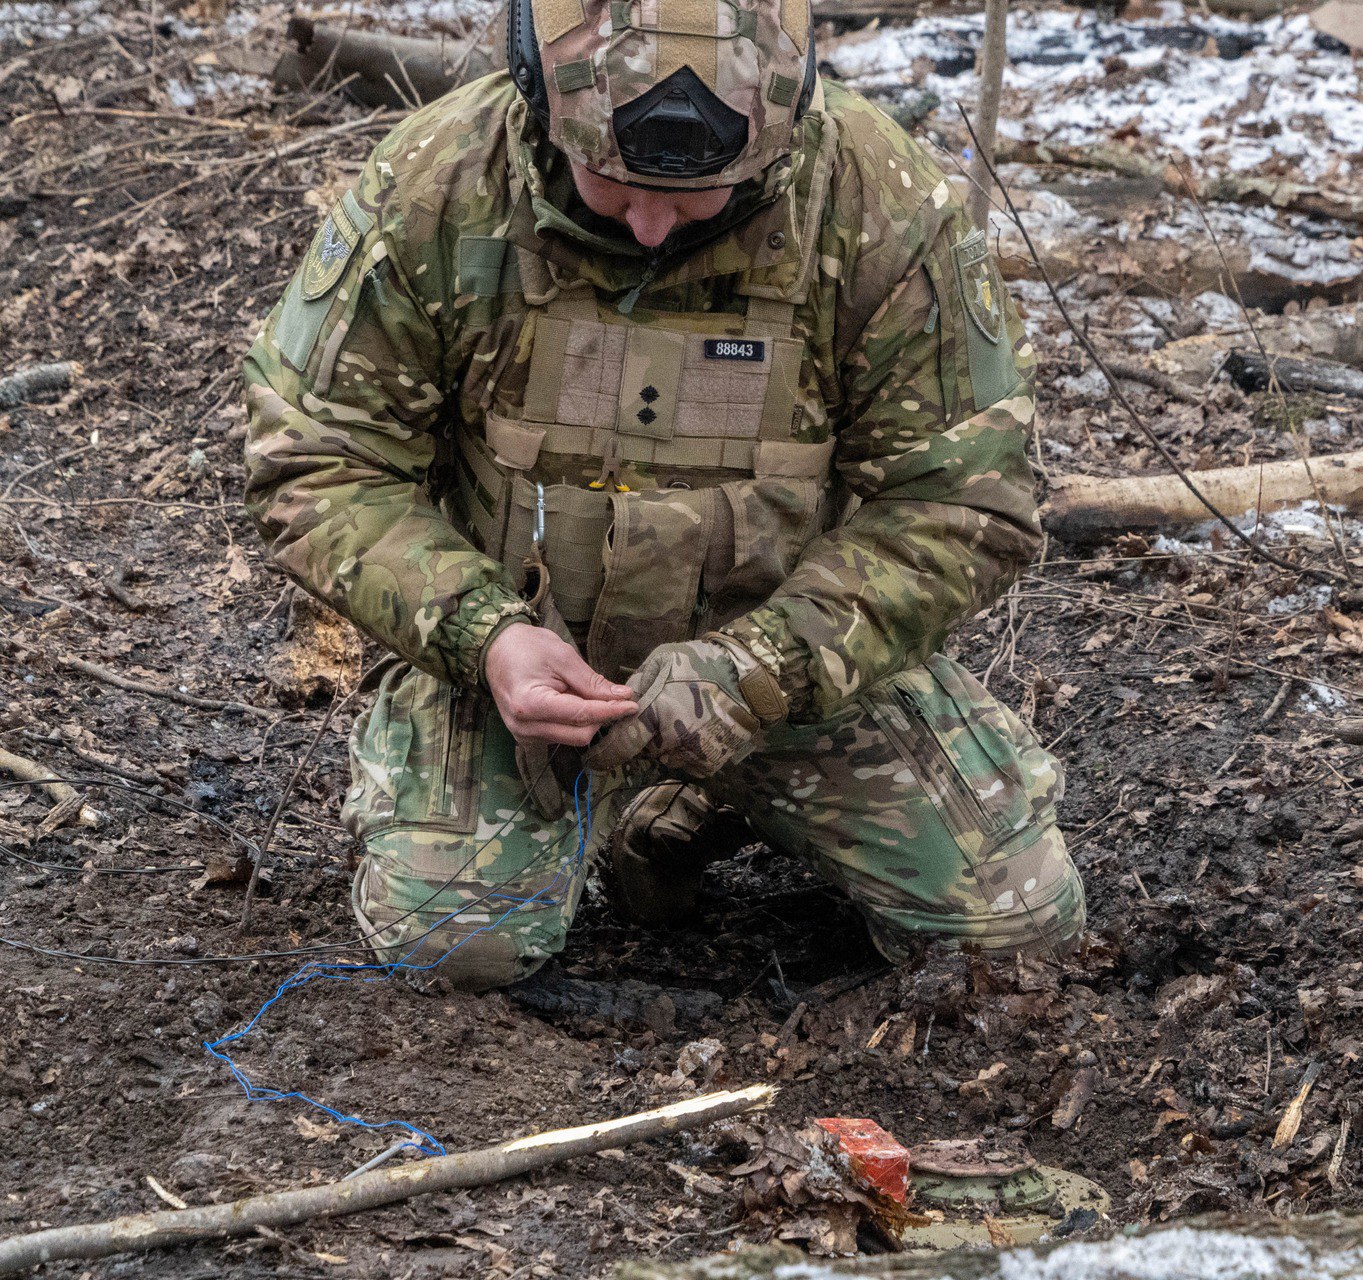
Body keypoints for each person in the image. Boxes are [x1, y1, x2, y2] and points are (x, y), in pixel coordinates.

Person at [240, 0, 1084, 990]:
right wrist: (485, 633)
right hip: (514, 670)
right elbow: (318, 461)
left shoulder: (872, 199)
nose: (647, 226)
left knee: (1012, 922)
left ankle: (679, 807)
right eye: (614, 182)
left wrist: (757, 670)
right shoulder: (439, 187)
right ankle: (584, 791)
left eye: (697, 195)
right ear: (542, 100)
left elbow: (966, 503)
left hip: (785, 660)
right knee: (454, 939)